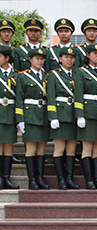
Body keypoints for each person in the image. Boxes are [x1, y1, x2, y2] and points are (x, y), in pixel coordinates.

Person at [74, 43, 97, 190]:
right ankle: (89, 180)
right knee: (87, 148)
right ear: (87, 55)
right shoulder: (81, 72)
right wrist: (79, 115)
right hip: (87, 114)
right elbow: (78, 95)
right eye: (95, 53)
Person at [16, 48, 50, 189]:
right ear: (30, 60)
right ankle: (32, 180)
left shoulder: (47, 76)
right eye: (37, 59)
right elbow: (19, 99)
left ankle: (40, 178)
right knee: (30, 149)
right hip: (30, 116)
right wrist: (20, 119)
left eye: (42, 59)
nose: (40, 61)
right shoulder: (23, 76)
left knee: (41, 149)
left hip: (44, 116)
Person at [47, 46, 80, 190]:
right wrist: (52, 117)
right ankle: (61, 180)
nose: (69, 60)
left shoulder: (77, 74)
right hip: (60, 116)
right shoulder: (54, 75)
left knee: (71, 149)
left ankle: (69, 179)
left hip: (73, 115)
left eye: (72, 57)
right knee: (59, 149)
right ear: (60, 59)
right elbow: (51, 97)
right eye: (66, 57)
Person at [0, 44, 19, 189]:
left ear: (7, 58)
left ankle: (6, 178)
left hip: (11, 113)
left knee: (8, 147)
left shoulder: (17, 75)